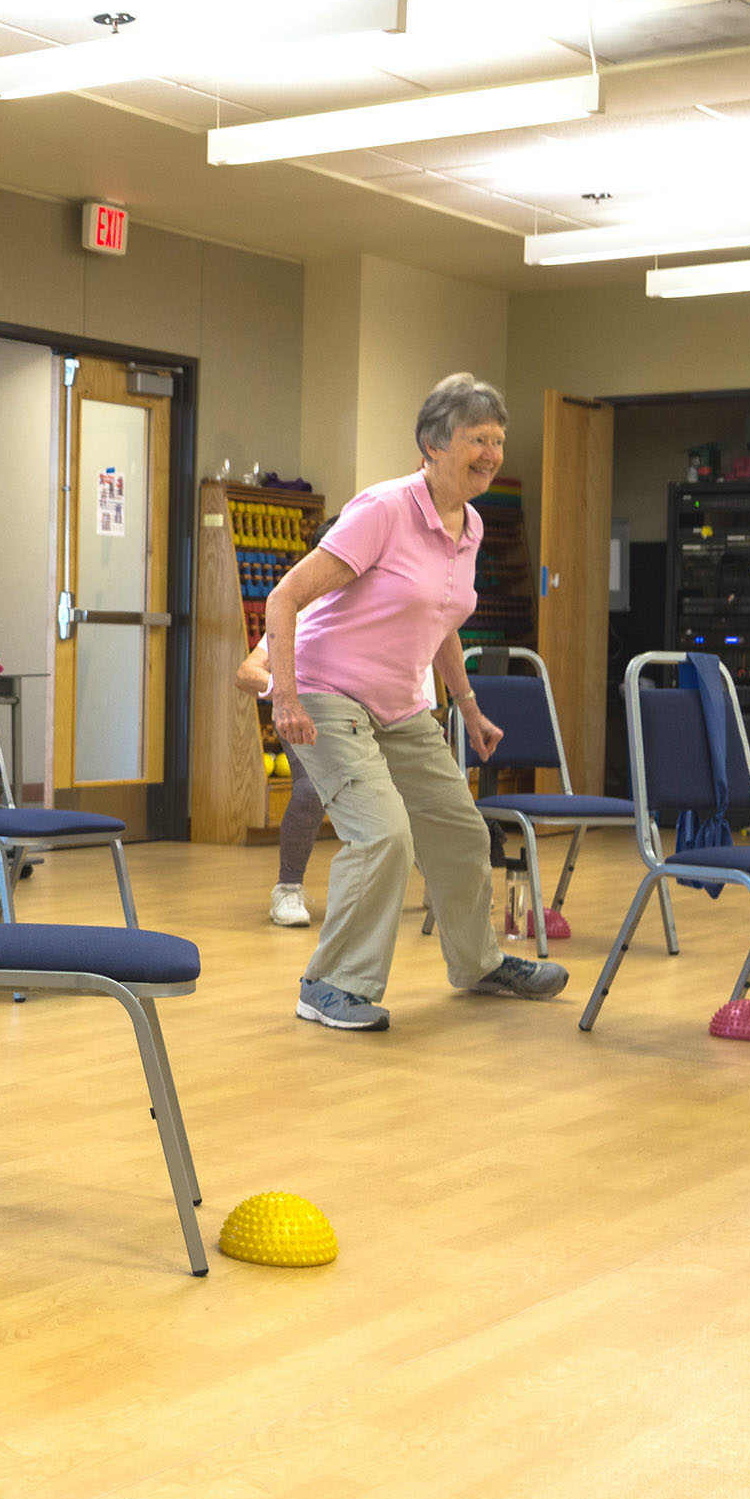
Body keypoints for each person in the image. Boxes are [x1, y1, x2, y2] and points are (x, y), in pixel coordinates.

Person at [263, 373, 568, 1031]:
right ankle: (329, 984)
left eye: (497, 440)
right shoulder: (384, 508)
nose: (490, 453)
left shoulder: (473, 524)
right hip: (327, 693)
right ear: (432, 442)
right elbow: (283, 596)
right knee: (384, 835)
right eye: (476, 439)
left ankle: (479, 964)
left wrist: (469, 703)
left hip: (400, 704)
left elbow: (442, 617)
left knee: (460, 830)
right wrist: (283, 696)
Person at [236, 519, 337, 927]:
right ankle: (288, 889)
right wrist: (288, 693)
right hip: (305, 714)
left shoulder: (372, 607)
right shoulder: (300, 609)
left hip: (357, 715)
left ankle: (435, 876)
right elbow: (247, 672)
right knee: (311, 787)